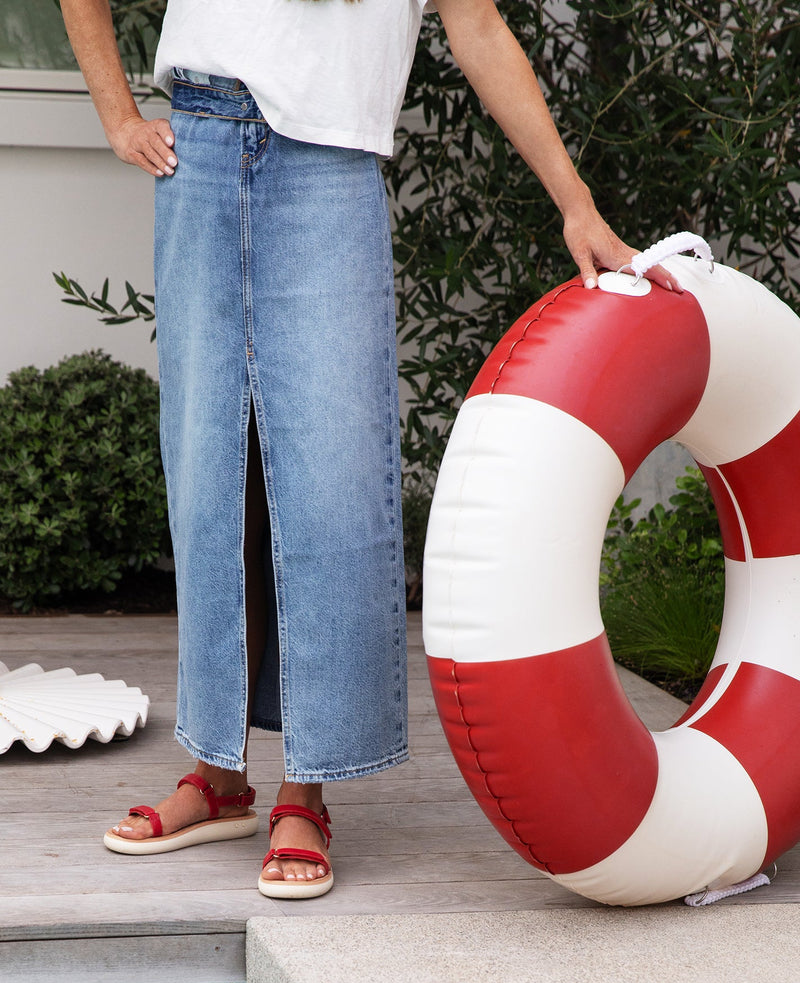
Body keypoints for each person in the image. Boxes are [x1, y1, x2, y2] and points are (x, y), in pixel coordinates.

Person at [60, 0, 675, 900]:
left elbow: (480, 29)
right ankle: (217, 774)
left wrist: (574, 203)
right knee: (210, 477)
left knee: (327, 479)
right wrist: (116, 113)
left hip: (327, 166)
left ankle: (305, 788)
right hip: (197, 143)